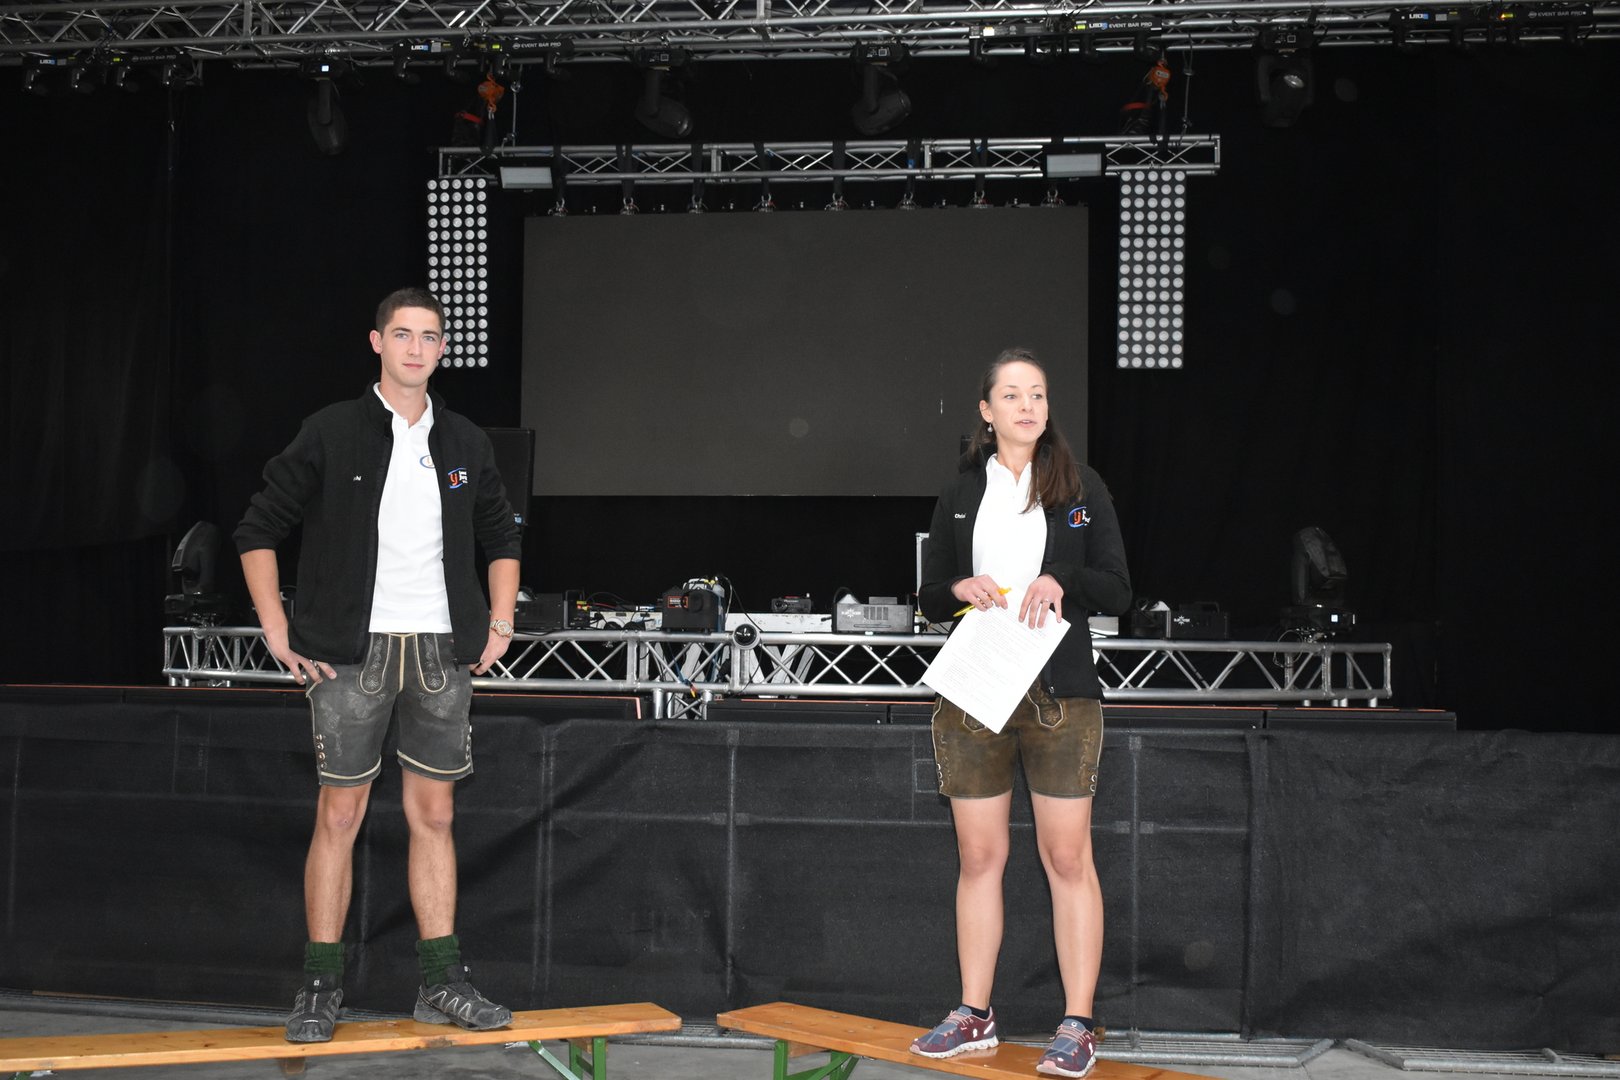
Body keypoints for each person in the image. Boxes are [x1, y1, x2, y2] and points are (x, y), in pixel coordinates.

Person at [234, 287, 523, 1043]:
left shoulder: (465, 440)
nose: (416, 348)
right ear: (377, 343)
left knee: (436, 815)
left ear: (442, 349)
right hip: (350, 653)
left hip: (441, 652)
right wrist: (276, 629)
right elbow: (258, 527)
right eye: (403, 334)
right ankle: (320, 987)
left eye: (429, 336)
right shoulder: (332, 430)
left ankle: (442, 983)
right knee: (339, 814)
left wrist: (499, 622)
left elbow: (502, 534)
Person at [911, 347, 1131, 1079]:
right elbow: (928, 595)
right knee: (979, 858)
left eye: (1037, 394)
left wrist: (1060, 576)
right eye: (1011, 395)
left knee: (1068, 858)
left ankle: (1077, 1024)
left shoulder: (1081, 485)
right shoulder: (960, 493)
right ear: (987, 411)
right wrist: (958, 589)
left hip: (1059, 693)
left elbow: (1118, 587)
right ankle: (974, 1014)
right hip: (976, 690)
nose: (1027, 406)